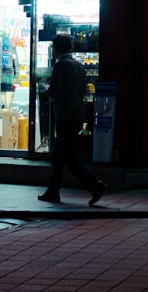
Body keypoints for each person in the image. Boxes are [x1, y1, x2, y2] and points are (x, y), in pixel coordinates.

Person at [38, 33, 106, 206]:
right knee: (59, 156)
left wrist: (45, 90)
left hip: (65, 115)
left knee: (67, 157)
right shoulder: (78, 65)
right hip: (77, 114)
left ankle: (94, 185)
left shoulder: (62, 65)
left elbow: (54, 91)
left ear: (55, 49)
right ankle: (53, 191)